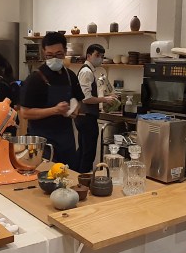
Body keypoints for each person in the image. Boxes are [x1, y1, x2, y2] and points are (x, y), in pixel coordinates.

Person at [19, 32, 84, 169]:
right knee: (45, 176)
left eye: (59, 54)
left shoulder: (70, 76)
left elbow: (79, 99)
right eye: (49, 55)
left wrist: (75, 109)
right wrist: (54, 110)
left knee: (69, 175)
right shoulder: (35, 78)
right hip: (42, 142)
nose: (54, 58)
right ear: (44, 53)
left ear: (65, 52)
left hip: (66, 140)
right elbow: (25, 112)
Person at [75, 44, 118, 172]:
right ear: (88, 55)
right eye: (97, 55)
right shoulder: (86, 72)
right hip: (86, 117)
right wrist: (105, 99)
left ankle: (78, 175)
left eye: (102, 56)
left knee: (83, 150)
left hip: (83, 116)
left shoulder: (88, 70)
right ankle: (84, 177)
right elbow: (86, 98)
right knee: (88, 152)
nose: (100, 59)